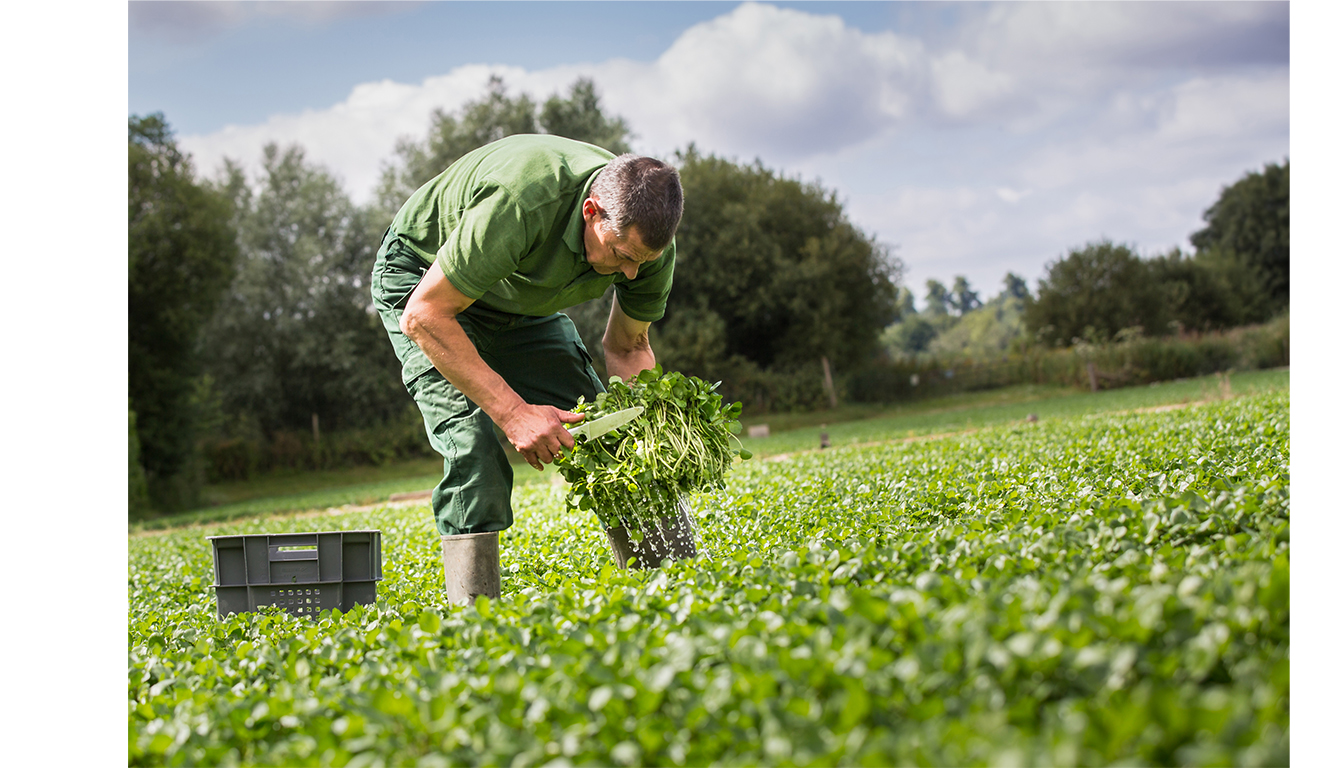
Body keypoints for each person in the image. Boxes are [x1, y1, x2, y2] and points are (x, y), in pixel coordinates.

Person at [370, 133, 682, 602]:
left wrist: (649, 427)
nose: (632, 273)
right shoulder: (522, 201)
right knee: (473, 446)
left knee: (610, 432)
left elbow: (628, 344)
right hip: (424, 283)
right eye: (621, 256)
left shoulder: (646, 246)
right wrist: (515, 414)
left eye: (644, 261)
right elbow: (425, 315)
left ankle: (673, 583)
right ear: (591, 212)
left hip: (517, 302)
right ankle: (477, 620)